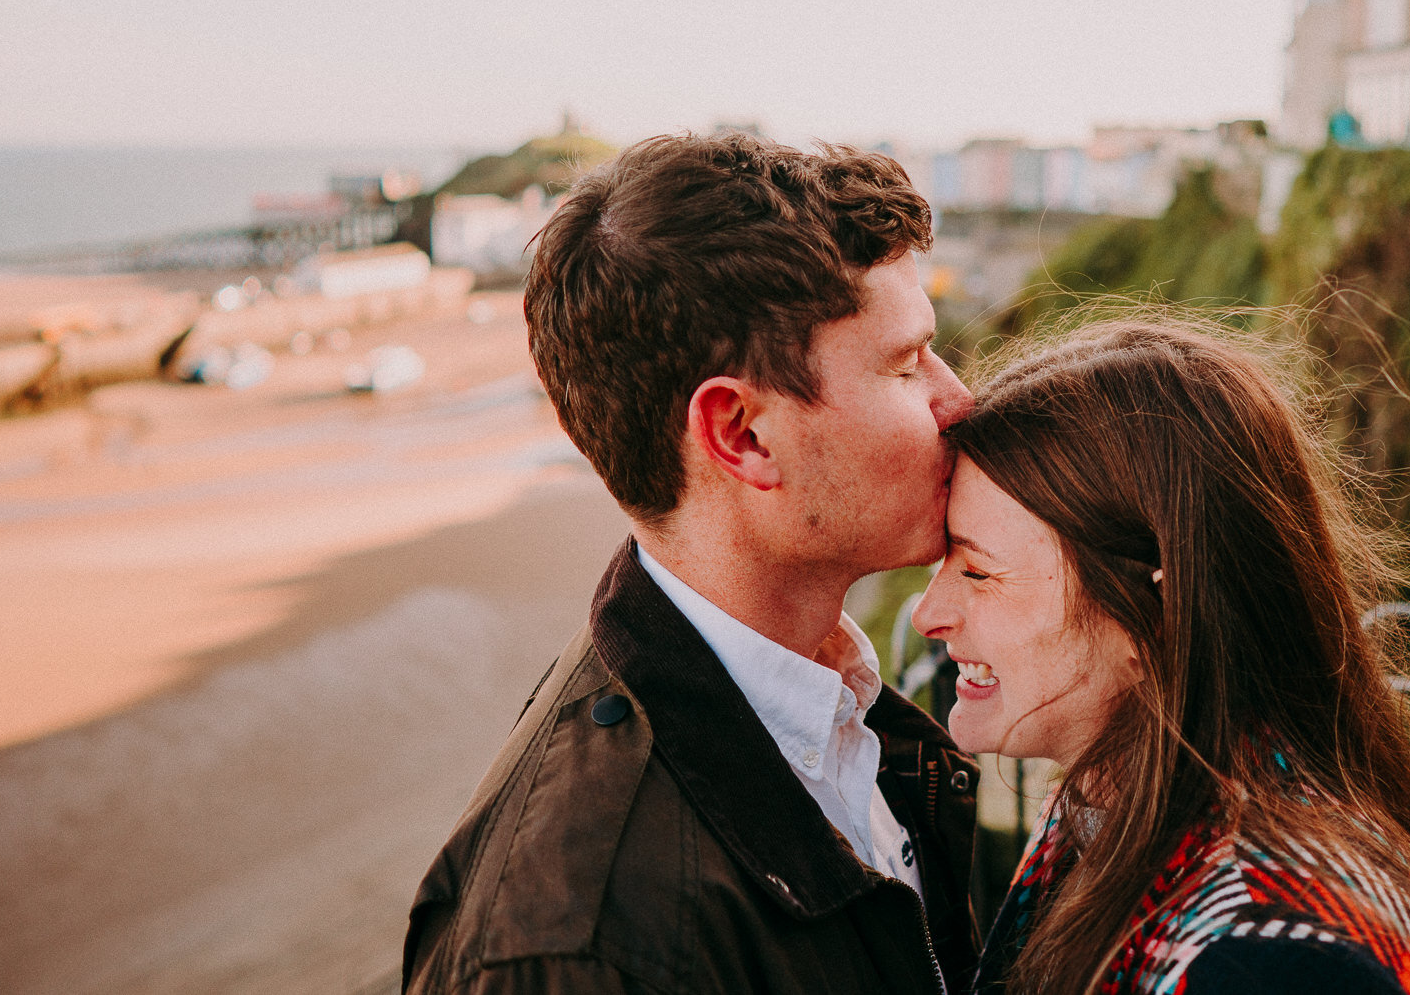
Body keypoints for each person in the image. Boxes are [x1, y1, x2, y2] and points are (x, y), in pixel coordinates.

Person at [404, 133, 984, 995]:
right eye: (905, 365)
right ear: (742, 434)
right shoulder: (577, 951)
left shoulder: (834, 713)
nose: (958, 399)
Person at [912, 318, 1410, 995]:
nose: (928, 613)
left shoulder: (1270, 961)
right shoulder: (1115, 806)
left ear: (1157, 613)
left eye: (979, 572)